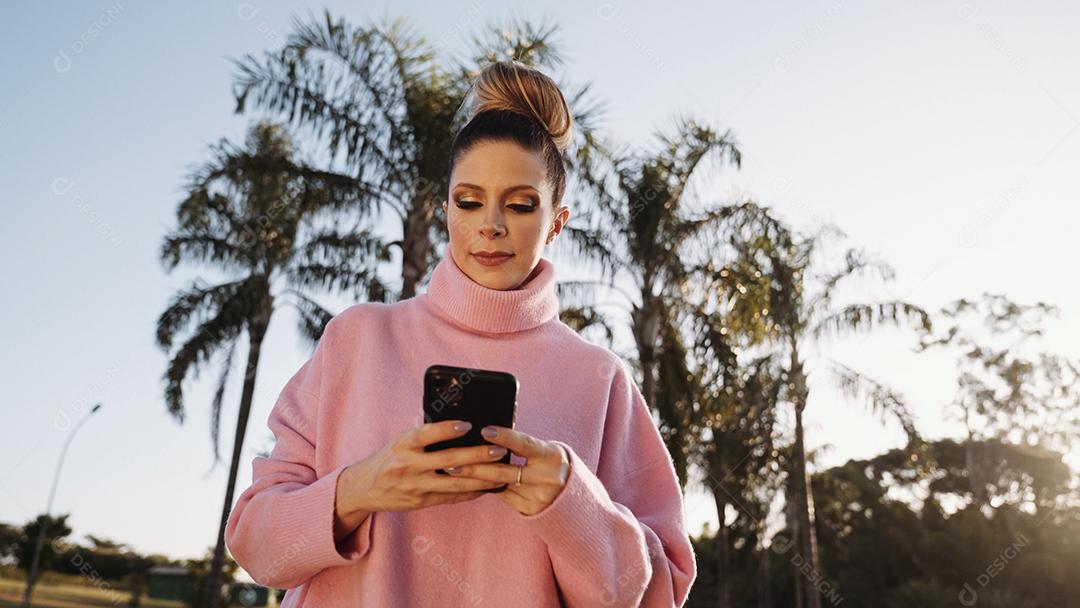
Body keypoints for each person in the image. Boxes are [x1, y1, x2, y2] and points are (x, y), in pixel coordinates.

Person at [225, 60, 697, 607]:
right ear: (445, 208)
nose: (490, 225)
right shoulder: (358, 340)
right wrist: (358, 490)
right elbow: (257, 547)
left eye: (520, 205)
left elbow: (660, 593)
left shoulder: (600, 378)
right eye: (469, 201)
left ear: (557, 221)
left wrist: (573, 504)